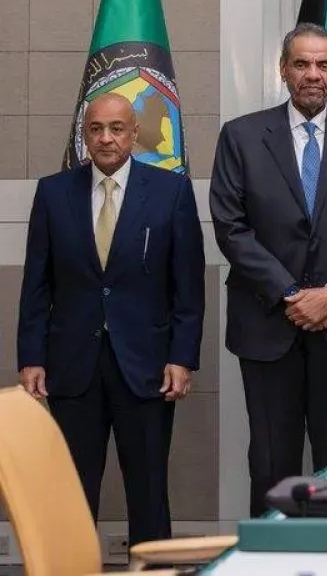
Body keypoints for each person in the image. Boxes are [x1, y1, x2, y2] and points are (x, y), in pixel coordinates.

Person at [208, 23, 327, 516]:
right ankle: (272, 552)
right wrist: (291, 293)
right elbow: (230, 226)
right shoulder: (242, 136)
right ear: (283, 70)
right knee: (271, 460)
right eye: (302, 64)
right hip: (267, 320)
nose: (313, 74)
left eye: (324, 65)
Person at [17, 93, 205, 545]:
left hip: (147, 365)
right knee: (72, 491)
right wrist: (31, 357)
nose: (106, 138)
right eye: (96, 129)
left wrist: (182, 358)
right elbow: (37, 284)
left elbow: (188, 287)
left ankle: (153, 573)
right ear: (84, 135)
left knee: (149, 490)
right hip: (71, 365)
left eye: (116, 128)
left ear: (134, 134)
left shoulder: (171, 191)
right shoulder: (53, 193)